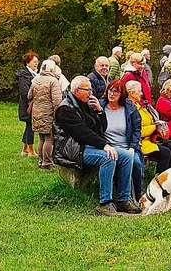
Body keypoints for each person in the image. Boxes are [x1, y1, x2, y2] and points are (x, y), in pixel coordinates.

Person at [53, 76, 140, 216]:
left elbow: (100, 129)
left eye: (91, 90)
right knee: (108, 157)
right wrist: (105, 145)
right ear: (76, 91)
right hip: (73, 150)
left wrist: (100, 112)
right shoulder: (65, 109)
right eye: (87, 90)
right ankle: (104, 203)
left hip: (88, 146)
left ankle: (123, 199)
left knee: (126, 156)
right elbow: (82, 133)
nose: (91, 93)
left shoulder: (85, 103)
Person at [100, 80, 144, 200]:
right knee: (112, 159)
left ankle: (138, 195)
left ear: (122, 94)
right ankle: (119, 196)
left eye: (116, 91)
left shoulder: (129, 108)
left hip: (127, 146)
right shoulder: (100, 106)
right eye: (110, 90)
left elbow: (136, 129)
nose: (112, 94)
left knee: (136, 163)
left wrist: (133, 147)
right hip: (108, 147)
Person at [125, 81, 171, 174]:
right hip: (140, 143)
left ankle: (170, 179)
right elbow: (138, 131)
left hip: (149, 140)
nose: (141, 93)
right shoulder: (130, 109)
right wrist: (154, 127)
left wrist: (156, 125)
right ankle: (159, 183)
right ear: (132, 93)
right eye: (139, 91)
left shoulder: (138, 106)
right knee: (165, 152)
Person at [28, 60, 63, 170]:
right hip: (48, 113)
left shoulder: (36, 79)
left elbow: (29, 96)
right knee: (49, 139)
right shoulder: (53, 81)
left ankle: (40, 161)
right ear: (52, 69)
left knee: (41, 138)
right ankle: (47, 163)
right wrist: (58, 113)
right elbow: (57, 100)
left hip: (36, 113)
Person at [16, 51, 39, 157]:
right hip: (27, 105)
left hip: (31, 104)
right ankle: (31, 150)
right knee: (31, 126)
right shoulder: (24, 75)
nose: (36, 63)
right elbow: (24, 92)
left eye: (37, 61)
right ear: (28, 63)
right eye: (34, 62)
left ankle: (24, 149)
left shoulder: (34, 74)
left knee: (29, 125)